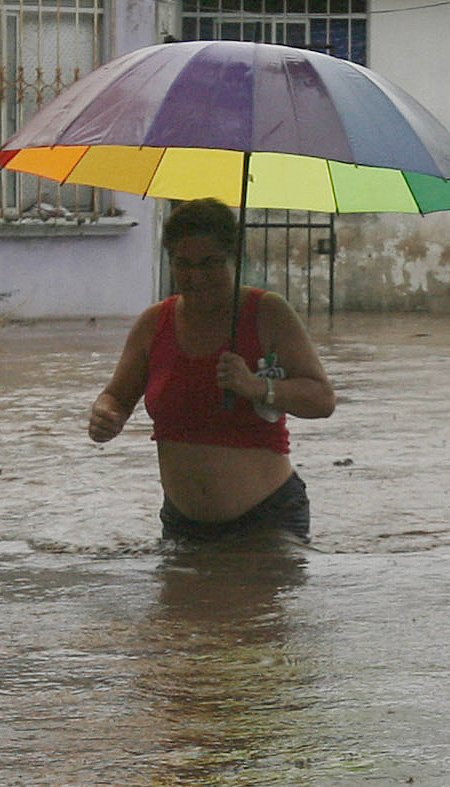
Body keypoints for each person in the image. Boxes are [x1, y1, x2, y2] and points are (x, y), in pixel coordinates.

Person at [88, 199, 336, 541]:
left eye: (210, 263)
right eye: (183, 264)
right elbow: (117, 396)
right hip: (181, 526)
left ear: (234, 258)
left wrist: (257, 387)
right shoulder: (153, 324)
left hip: (267, 522)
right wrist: (105, 415)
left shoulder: (267, 314)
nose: (197, 277)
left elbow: (322, 400)